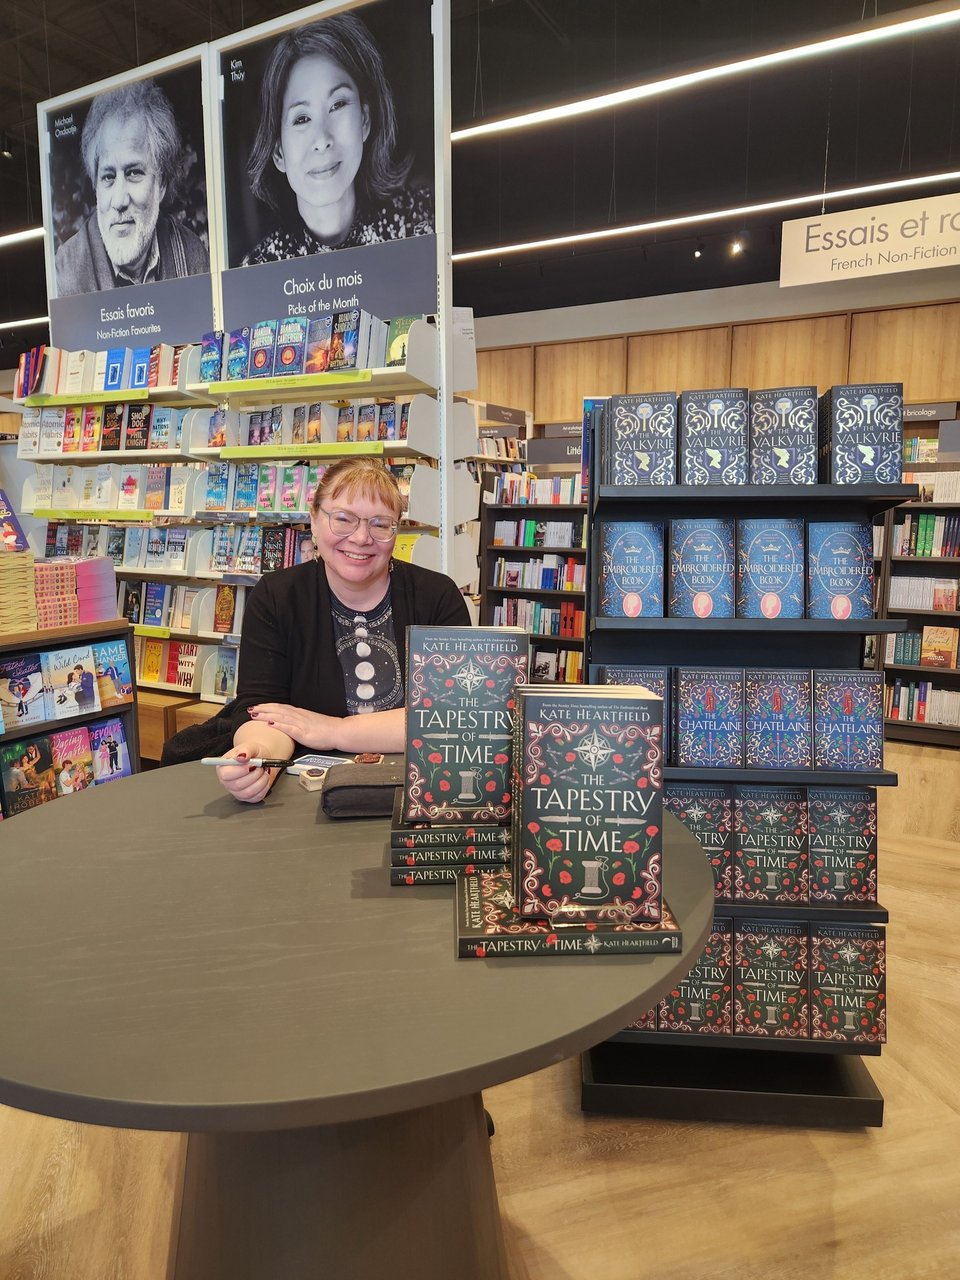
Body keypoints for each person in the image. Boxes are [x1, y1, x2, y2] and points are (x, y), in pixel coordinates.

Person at [214, 457, 468, 803]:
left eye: (381, 524)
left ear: (397, 531)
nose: (362, 538)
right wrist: (259, 756)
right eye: (344, 519)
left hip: (422, 788)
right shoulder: (276, 596)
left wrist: (333, 730)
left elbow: (452, 715)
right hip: (307, 794)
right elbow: (263, 708)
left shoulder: (437, 596)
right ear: (314, 521)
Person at [242, 13, 432, 265]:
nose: (322, 139)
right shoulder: (259, 269)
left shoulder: (420, 219)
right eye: (301, 119)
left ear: (364, 119)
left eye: (338, 104)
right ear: (278, 153)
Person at [54, 79, 209, 296]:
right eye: (108, 177)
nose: (119, 201)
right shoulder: (65, 271)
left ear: (161, 184)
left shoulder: (192, 254)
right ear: (96, 187)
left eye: (134, 173)